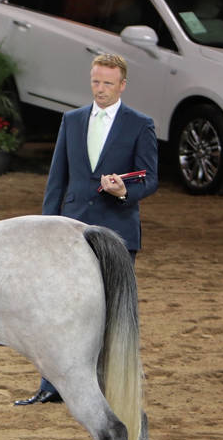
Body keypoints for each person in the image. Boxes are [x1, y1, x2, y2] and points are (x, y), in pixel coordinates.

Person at [15, 52, 158, 406]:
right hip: (69, 231)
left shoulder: (140, 124)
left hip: (117, 231)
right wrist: (45, 227)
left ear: (122, 85)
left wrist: (125, 192)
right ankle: (51, 385)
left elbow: (150, 178)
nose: (101, 89)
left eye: (108, 83)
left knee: (110, 312)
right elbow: (57, 178)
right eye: (96, 81)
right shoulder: (72, 120)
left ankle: (107, 388)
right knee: (56, 309)